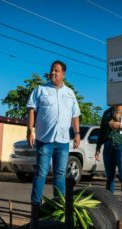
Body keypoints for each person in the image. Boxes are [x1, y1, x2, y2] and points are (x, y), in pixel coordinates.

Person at [26, 60, 81, 206]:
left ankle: (59, 206)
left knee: (60, 175)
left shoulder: (70, 93)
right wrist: (30, 130)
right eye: (52, 70)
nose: (53, 73)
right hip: (45, 140)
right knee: (41, 173)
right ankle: (35, 207)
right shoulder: (40, 90)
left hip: (63, 141)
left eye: (56, 70)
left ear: (63, 74)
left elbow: (75, 115)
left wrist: (77, 133)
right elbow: (31, 109)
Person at [95, 104, 122, 208]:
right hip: (108, 145)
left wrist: (121, 126)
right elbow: (102, 131)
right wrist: (98, 148)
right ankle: (109, 205)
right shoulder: (107, 112)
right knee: (109, 177)